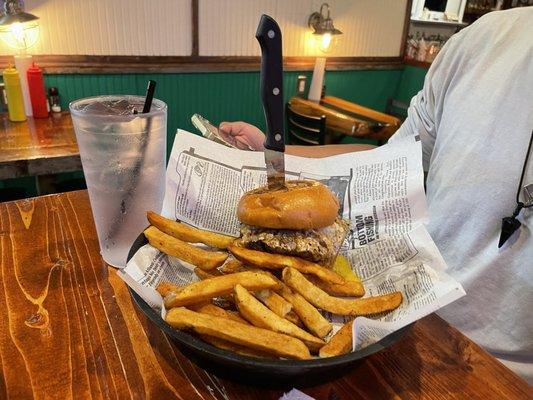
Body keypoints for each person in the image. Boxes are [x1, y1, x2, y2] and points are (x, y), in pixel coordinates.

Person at [218, 8, 533, 382]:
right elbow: (387, 163)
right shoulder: (480, 41)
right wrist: (278, 156)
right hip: (406, 323)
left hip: (509, 375)